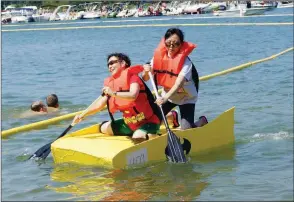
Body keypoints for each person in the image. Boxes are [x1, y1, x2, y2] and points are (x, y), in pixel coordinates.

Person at [73, 53, 162, 141]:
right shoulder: (111, 84)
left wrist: (113, 94)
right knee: (103, 128)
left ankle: (153, 134)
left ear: (123, 63)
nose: (109, 66)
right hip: (130, 123)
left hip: (149, 121)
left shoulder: (133, 77)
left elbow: (133, 95)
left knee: (137, 137)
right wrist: (82, 115)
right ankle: (135, 131)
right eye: (108, 64)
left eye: (112, 63)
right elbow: (99, 105)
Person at [142, 28, 208, 129]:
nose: (171, 47)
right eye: (169, 43)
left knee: (186, 129)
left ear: (181, 44)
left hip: (186, 98)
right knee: (152, 120)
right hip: (168, 97)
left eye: (176, 43)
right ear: (164, 42)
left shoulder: (186, 63)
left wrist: (164, 98)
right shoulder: (157, 58)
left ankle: (202, 121)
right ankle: (172, 116)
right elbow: (145, 78)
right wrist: (146, 71)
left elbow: (178, 84)